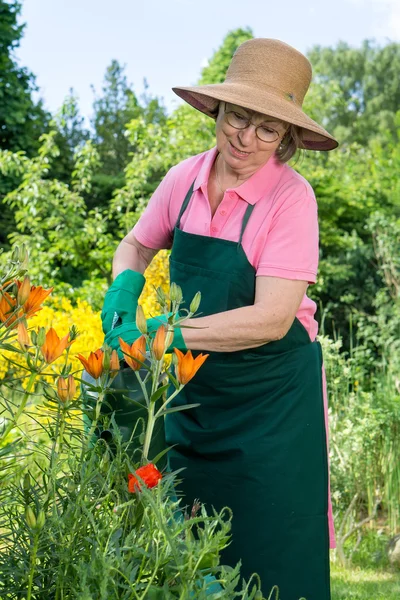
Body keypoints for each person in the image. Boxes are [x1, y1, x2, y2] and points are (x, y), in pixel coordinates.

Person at [103, 38, 338, 600]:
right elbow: (135, 246)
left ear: (286, 138)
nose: (245, 138)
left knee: (270, 547)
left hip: (272, 402)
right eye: (238, 118)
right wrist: (121, 302)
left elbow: (270, 319)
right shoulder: (183, 179)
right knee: (174, 543)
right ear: (218, 111)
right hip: (193, 395)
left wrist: (162, 334)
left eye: (267, 129)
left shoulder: (291, 199)